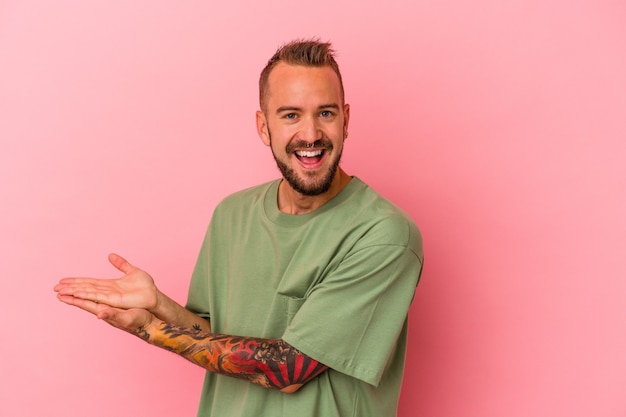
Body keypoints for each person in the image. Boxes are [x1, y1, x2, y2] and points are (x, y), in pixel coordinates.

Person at [54, 39, 424, 417]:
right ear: (264, 127)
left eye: (325, 113)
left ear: (346, 120)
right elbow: (210, 339)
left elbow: (289, 368)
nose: (311, 134)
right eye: (291, 115)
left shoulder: (385, 235)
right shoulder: (231, 215)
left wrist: (151, 329)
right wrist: (159, 305)